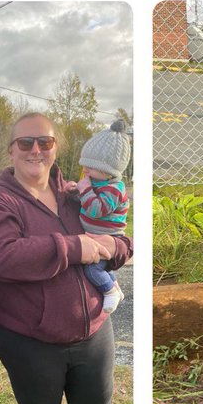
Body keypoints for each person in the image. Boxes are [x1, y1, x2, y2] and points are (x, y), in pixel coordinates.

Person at [0, 112, 133, 404]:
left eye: (44, 142)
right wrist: (74, 247)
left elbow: (120, 239)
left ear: (56, 148)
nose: (35, 150)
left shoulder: (76, 194)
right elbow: (0, 257)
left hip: (93, 329)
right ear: (10, 150)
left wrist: (112, 249)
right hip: (30, 335)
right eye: (25, 143)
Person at [77, 120, 131, 314]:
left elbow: (96, 209)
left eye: (90, 167)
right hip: (95, 235)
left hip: (109, 238)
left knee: (93, 269)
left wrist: (85, 190)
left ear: (109, 171)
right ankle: (115, 287)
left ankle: (110, 291)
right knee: (102, 268)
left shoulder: (114, 190)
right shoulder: (100, 183)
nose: (85, 170)